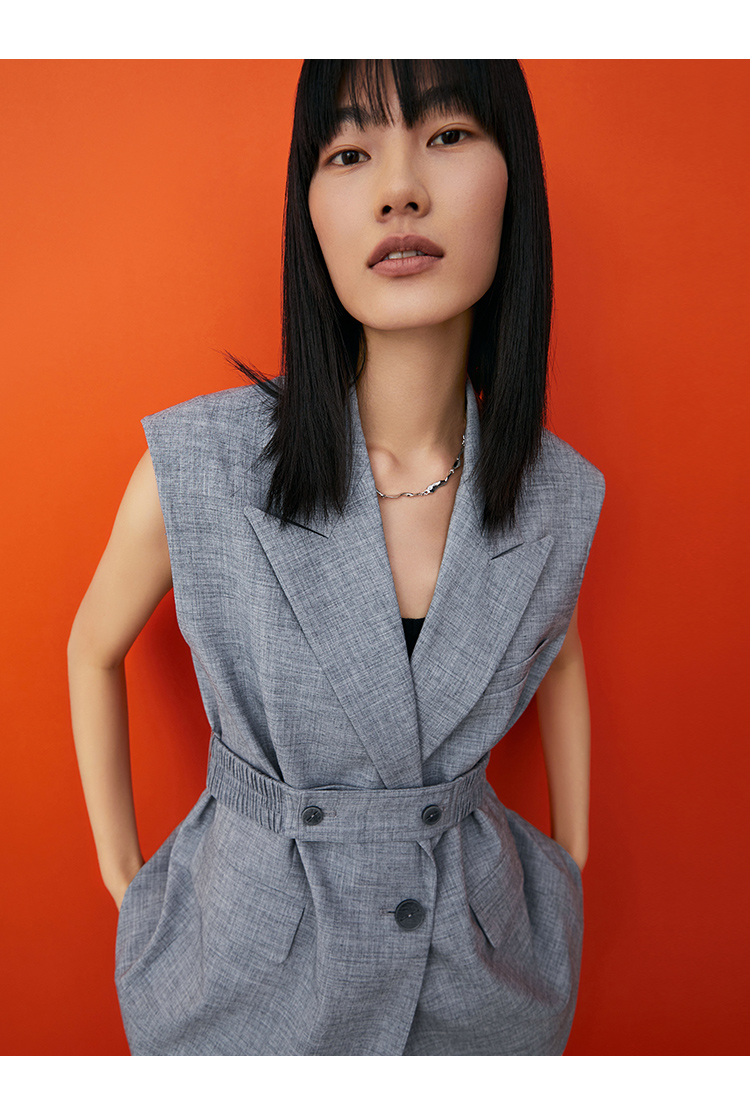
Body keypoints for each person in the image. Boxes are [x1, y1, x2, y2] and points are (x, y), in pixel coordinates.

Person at [68, 59, 605, 1056]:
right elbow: (90, 647)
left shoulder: (557, 493)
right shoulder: (201, 465)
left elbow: (559, 648)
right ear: (307, 210)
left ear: (514, 179)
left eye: (447, 135)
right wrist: (130, 883)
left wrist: (566, 871)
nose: (400, 187)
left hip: (482, 980)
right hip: (242, 973)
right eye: (350, 152)